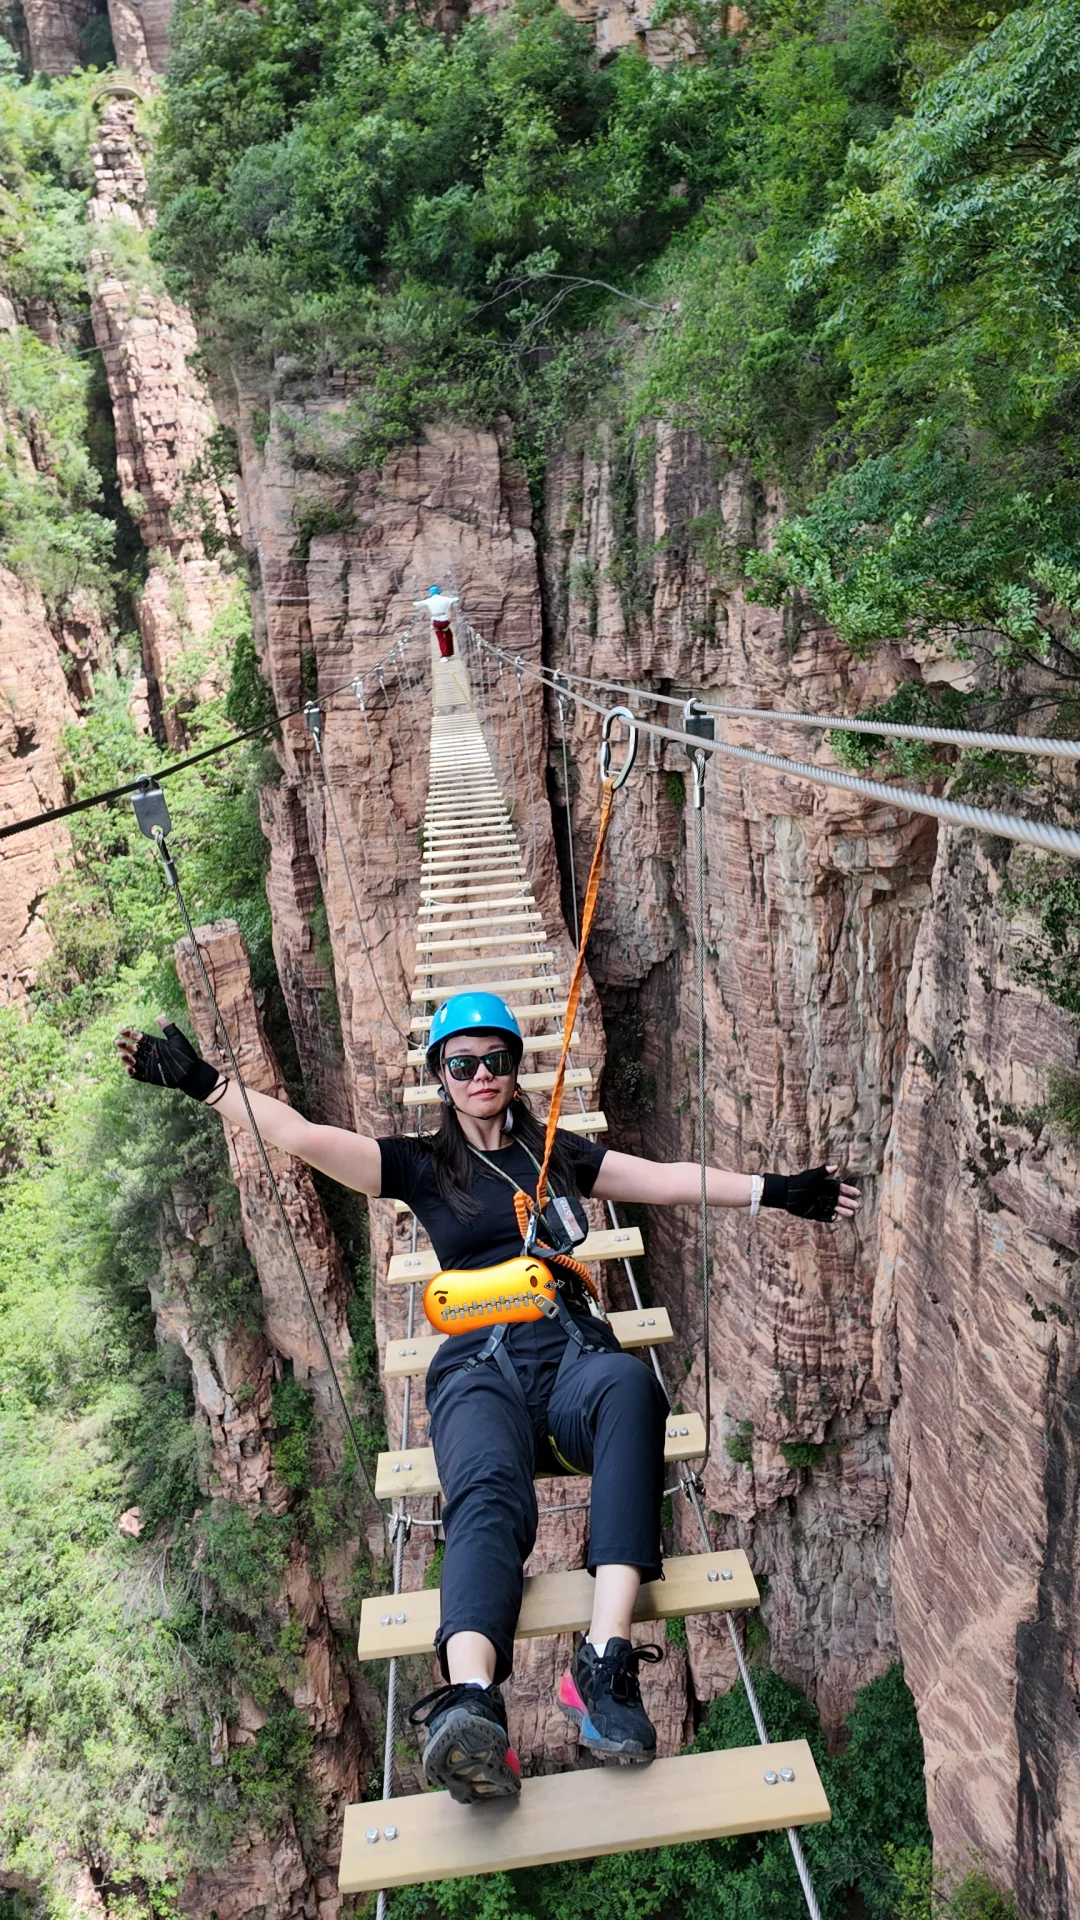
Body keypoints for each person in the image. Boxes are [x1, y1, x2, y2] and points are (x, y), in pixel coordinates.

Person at [117, 992, 860, 1806]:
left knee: (632, 1389)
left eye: (494, 1061)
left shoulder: (557, 1153)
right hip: (479, 1366)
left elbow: (672, 1181)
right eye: (461, 1064)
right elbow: (302, 1138)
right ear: (440, 1076)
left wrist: (779, 1192)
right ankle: (471, 1705)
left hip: (573, 1357)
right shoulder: (419, 1166)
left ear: (514, 1069)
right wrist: (209, 1087)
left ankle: (604, 1666)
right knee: (485, 1494)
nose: (479, 1076)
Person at [414, 585, 458, 659]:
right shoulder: (445, 599)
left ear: (431, 593)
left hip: (436, 623)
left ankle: (444, 655)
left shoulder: (429, 600)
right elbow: (455, 599)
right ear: (439, 592)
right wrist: (451, 615)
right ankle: (449, 653)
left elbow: (417, 604)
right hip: (445, 622)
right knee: (448, 635)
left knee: (440, 638)